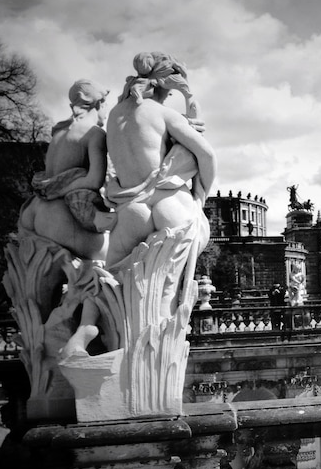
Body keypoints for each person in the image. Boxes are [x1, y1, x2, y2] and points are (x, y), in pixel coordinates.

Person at [61, 52, 216, 357]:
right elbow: (207, 155)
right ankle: (155, 361)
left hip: (130, 210)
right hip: (170, 204)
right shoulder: (162, 114)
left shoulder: (116, 117)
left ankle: (87, 331)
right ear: (165, 87)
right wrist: (200, 195)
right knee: (165, 295)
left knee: (109, 279)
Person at [18, 79, 111, 260]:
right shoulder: (94, 134)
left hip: (35, 211)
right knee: (118, 254)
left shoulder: (58, 133)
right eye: (107, 104)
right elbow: (94, 181)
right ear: (99, 103)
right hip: (61, 215)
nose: (107, 111)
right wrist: (59, 190)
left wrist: (51, 190)